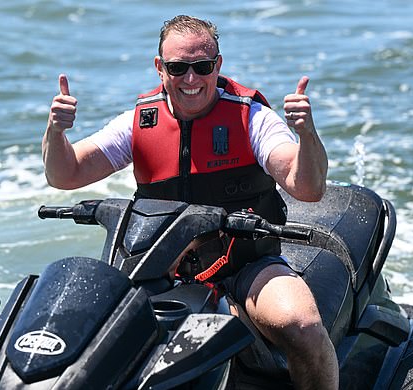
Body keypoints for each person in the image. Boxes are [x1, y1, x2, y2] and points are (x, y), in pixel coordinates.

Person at [42, 15, 338, 390]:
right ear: (160, 68)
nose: (191, 79)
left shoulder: (252, 118)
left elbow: (307, 188)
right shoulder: (138, 122)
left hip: (247, 265)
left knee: (302, 326)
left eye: (202, 66)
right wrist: (55, 132)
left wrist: (306, 134)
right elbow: (65, 174)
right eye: (178, 67)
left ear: (218, 65)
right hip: (161, 271)